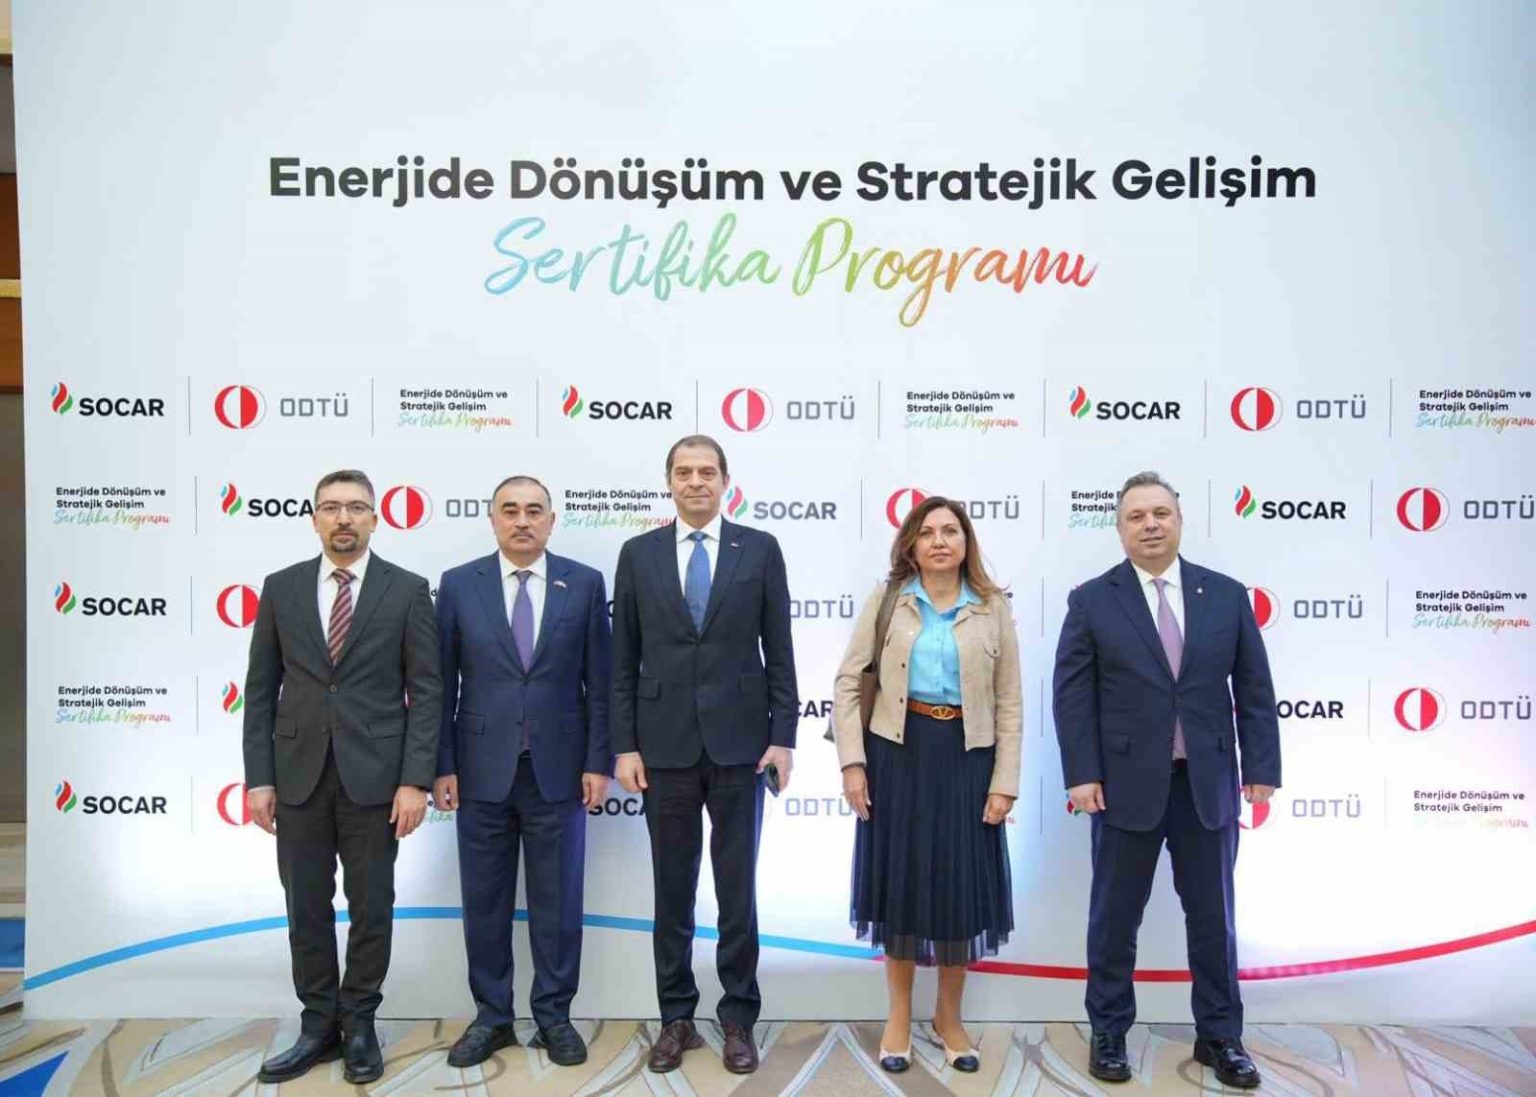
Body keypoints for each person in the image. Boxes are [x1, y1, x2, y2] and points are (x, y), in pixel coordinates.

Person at [1052, 471, 1280, 1089]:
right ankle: (1108, 1033)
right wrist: (1082, 774)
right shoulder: (1092, 600)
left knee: (1213, 920)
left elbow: (1254, 688)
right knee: (1114, 920)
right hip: (1122, 787)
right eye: (1136, 516)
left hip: (1207, 786)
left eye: (1160, 513)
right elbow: (1072, 698)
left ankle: (1220, 1036)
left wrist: (1261, 768)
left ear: (1179, 520)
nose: (1150, 524)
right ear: (1120, 529)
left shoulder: (1225, 595)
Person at [242, 469, 441, 1085]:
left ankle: (359, 1023)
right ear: (314, 518)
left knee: (372, 905)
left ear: (376, 518)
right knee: (304, 905)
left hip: (376, 780)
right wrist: (259, 778)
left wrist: (415, 780)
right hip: (297, 776)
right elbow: (260, 690)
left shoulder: (407, 590)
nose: (344, 518)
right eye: (331, 507)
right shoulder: (281, 587)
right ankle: (317, 1025)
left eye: (356, 507)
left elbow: (428, 692)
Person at [610, 434, 798, 1075]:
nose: (696, 482)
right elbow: (622, 659)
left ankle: (739, 1017)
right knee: (672, 890)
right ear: (669, 482)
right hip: (662, 747)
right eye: (684, 472)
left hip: (741, 747)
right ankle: (677, 1018)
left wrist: (782, 737)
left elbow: (780, 651)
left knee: (737, 889)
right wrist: (625, 745)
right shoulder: (638, 554)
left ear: (725, 481)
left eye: (707, 472)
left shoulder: (760, 549)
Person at [832, 496, 1020, 1074]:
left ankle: (948, 1018)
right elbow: (848, 682)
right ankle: (898, 1018)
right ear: (911, 544)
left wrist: (1004, 782)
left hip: (967, 759)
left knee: (960, 891)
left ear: (966, 543)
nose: (940, 540)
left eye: (951, 531)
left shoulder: (991, 606)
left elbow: (1010, 701)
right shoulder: (890, 598)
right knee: (901, 887)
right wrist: (853, 764)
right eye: (928, 532)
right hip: (897, 754)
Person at [432, 475, 612, 1068]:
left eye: (534, 511)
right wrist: (442, 764)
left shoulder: (584, 583)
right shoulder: (459, 584)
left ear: (552, 521)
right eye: (509, 510)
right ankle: (492, 1017)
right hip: (480, 771)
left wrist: (598, 761)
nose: (522, 520)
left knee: (558, 904)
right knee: (484, 903)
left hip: (559, 771)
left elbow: (601, 683)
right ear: (492, 519)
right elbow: (439, 685)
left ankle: (554, 1017)